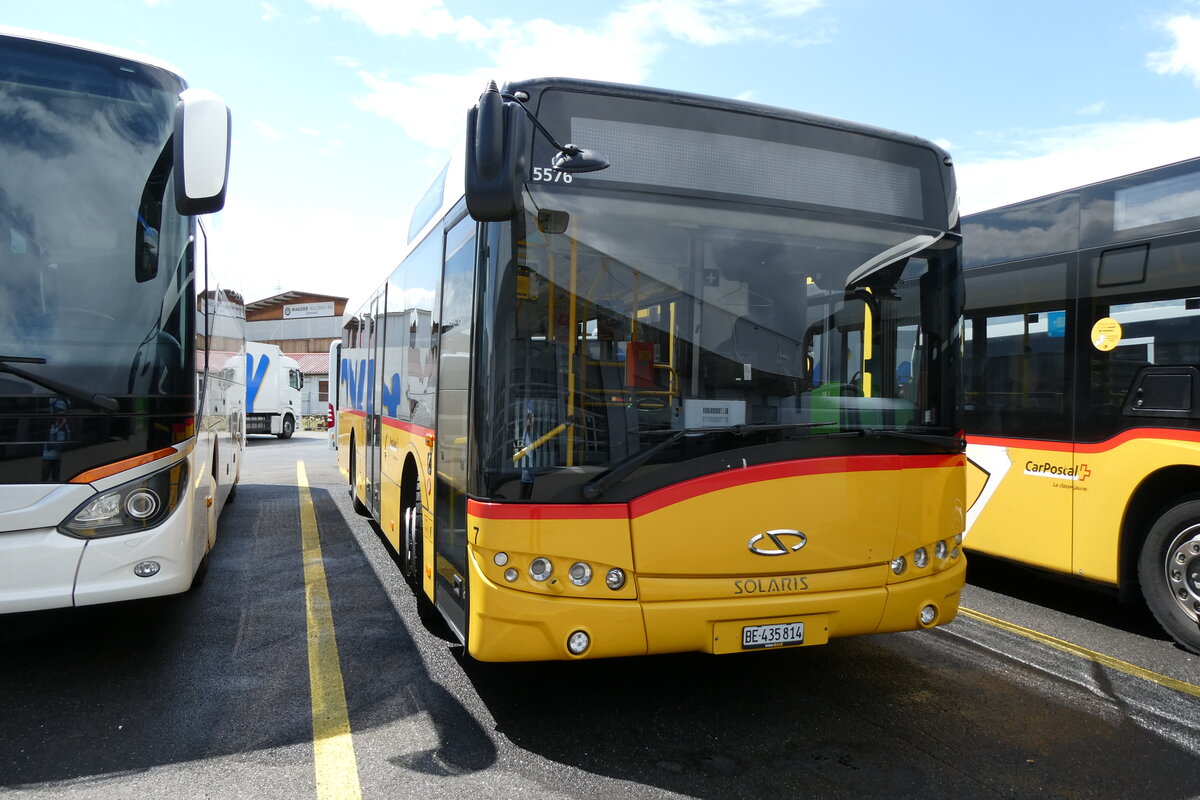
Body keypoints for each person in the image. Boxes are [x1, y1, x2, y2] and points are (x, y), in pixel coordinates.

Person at [41, 400, 69, 481]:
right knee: (44, 476)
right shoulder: (51, 426)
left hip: (57, 457)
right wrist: (60, 425)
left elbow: (66, 439)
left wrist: (64, 426)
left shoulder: (64, 428)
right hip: (47, 456)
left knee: (56, 477)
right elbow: (51, 437)